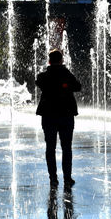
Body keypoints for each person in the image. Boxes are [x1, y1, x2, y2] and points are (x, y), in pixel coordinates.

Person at [36, 49, 81, 187]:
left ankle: (53, 178)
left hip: (49, 116)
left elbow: (40, 83)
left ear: (49, 61)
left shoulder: (43, 76)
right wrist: (64, 83)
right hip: (66, 115)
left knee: (50, 148)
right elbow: (78, 87)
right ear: (61, 60)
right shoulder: (66, 74)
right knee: (66, 147)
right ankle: (67, 177)